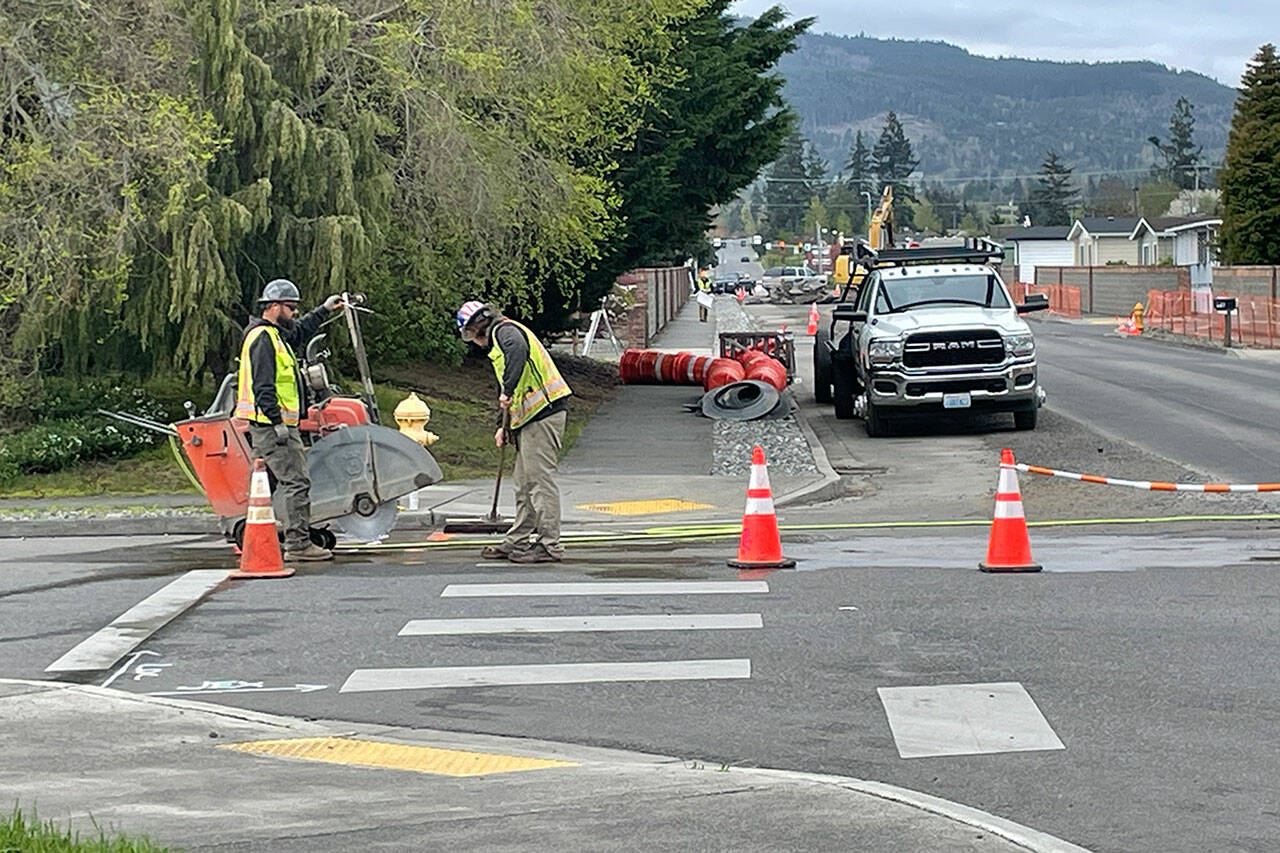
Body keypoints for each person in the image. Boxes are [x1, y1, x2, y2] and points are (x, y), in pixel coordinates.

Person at [234, 279, 343, 561]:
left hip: (269, 426)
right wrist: (278, 423)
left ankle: (254, 540)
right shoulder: (262, 339)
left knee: (263, 486)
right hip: (274, 428)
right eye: (291, 307)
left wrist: (323, 310)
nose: (295, 312)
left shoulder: (274, 335)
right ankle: (299, 544)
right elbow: (264, 387)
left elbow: (299, 332)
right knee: (296, 482)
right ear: (273, 307)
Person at [457, 301, 572, 563]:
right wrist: (502, 426)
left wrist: (507, 391)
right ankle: (518, 538)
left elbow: (514, 366)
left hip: (544, 413)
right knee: (523, 483)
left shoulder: (505, 333)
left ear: (476, 328)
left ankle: (549, 545)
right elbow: (505, 394)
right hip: (529, 418)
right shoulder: (499, 343)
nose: (472, 342)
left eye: (469, 335)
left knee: (539, 481)